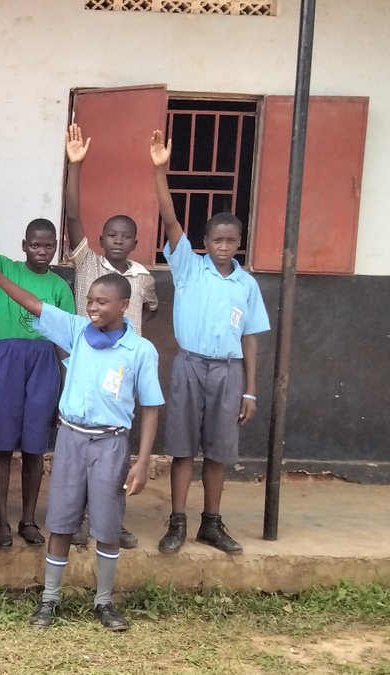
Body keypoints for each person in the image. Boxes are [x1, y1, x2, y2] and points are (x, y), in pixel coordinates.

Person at [0, 239, 162, 632]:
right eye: (90, 300)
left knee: (107, 528)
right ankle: (50, 600)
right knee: (59, 524)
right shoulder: (75, 331)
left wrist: (142, 461)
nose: (92, 307)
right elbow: (33, 304)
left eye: (102, 302)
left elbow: (151, 407)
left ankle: (105, 601)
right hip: (72, 440)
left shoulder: (140, 351)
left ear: (124, 306)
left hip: (111, 443)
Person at [151, 131, 269, 555]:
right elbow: (169, 219)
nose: (223, 247)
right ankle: (177, 521)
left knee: (219, 451)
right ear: (204, 242)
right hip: (189, 365)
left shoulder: (246, 284)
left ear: (240, 243)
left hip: (228, 371)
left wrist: (250, 389)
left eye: (231, 241)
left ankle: (211, 523)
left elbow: (251, 338)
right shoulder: (188, 267)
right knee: (182, 448)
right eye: (216, 240)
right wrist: (160, 171)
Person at [0, 189, 75, 549]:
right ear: (24, 245)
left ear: (55, 248)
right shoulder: (3, 267)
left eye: (49, 247)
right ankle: (0, 520)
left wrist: (65, 390)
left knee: (35, 447)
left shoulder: (59, 286)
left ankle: (27, 518)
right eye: (36, 246)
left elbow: (66, 342)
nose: (42, 253)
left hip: (44, 363)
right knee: (2, 443)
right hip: (6, 360)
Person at [63, 122, 158, 549]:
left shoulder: (142, 277)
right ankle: (79, 517)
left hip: (123, 364)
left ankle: (110, 519)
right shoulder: (88, 265)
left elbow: (148, 315)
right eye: (111, 236)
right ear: (100, 240)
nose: (118, 242)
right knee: (81, 441)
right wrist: (75, 165)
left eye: (126, 237)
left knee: (116, 444)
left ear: (136, 242)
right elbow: (71, 215)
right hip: (88, 361)